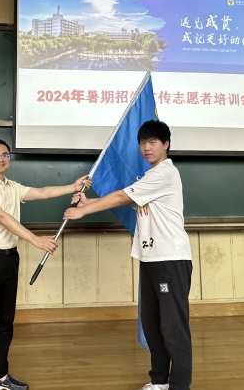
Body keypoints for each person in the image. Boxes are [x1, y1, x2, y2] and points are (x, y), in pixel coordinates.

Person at [64, 120, 192, 390]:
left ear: (166, 144)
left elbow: (122, 197)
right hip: (150, 258)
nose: (147, 148)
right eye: (143, 143)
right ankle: (159, 381)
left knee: (173, 327)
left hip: (170, 258)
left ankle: (180, 386)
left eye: (153, 142)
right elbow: (130, 198)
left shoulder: (164, 173)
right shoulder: (149, 177)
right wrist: (89, 201)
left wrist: (82, 211)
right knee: (152, 324)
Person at [0, 138, 91, 390]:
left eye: (5, 154)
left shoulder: (12, 187)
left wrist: (73, 186)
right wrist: (35, 240)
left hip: (9, 259)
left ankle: (0, 377)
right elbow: (2, 217)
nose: (1, 158)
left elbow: (43, 192)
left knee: (5, 323)